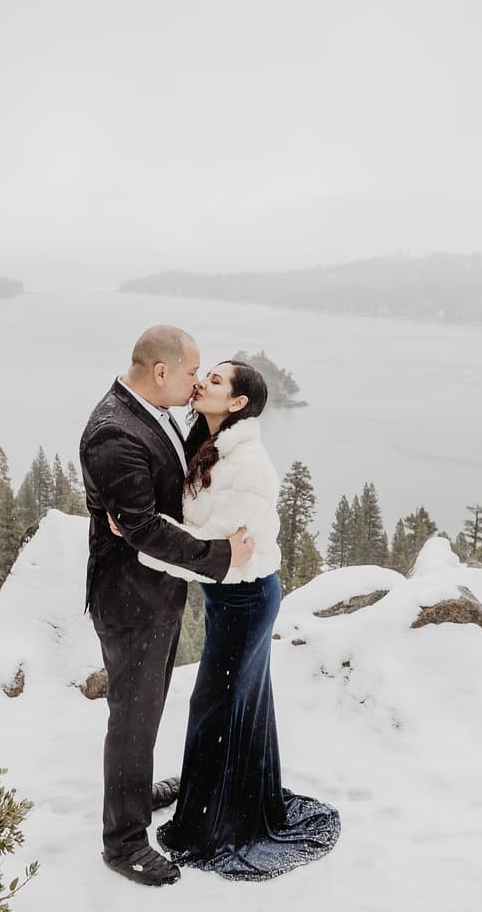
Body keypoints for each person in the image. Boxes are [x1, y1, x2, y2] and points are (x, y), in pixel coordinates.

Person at [136, 359, 341, 880]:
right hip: (230, 597)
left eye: (218, 380)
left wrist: (137, 539)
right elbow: (197, 530)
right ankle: (241, 801)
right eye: (208, 373)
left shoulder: (249, 465)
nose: (203, 380)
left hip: (246, 599)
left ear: (238, 404)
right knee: (240, 704)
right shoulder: (209, 443)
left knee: (215, 705)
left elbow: (218, 552)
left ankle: (214, 825)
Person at [78, 325, 257, 886]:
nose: (195, 380)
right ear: (160, 372)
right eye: (189, 372)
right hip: (130, 599)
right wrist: (221, 555)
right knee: (132, 715)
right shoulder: (113, 434)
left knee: (148, 705)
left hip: (156, 592)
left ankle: (137, 789)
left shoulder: (153, 412)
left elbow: (162, 501)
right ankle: (124, 842)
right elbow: (146, 529)